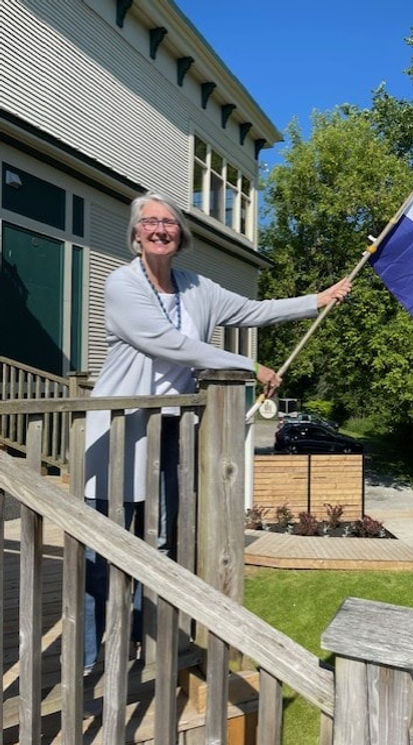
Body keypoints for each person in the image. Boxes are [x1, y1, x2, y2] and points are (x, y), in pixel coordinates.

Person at [83, 191, 351, 670]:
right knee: (105, 540)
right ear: (136, 233)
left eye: (169, 222)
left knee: (162, 540)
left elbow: (254, 310)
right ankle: (90, 654)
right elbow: (162, 341)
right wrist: (248, 365)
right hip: (124, 429)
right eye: (150, 222)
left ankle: (143, 640)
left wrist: (318, 300)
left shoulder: (196, 286)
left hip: (174, 431)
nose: (160, 229)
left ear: (181, 234)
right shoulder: (122, 283)